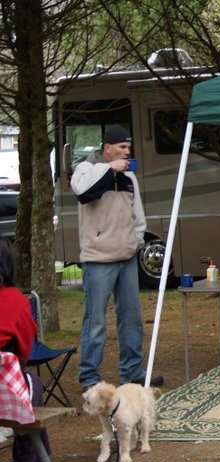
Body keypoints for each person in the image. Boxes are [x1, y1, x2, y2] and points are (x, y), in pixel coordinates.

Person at [70, 125, 162, 390]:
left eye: (128, 148)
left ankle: (132, 371)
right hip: (98, 258)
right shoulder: (86, 170)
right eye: (122, 147)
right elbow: (83, 193)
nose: (126, 153)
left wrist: (136, 241)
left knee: (131, 318)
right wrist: (110, 169)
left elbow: (138, 216)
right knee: (95, 320)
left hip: (126, 257)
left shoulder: (129, 178)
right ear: (107, 148)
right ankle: (89, 377)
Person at [0, 238, 51, 462]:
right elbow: (24, 350)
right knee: (33, 387)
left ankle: (35, 458)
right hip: (4, 395)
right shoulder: (15, 300)